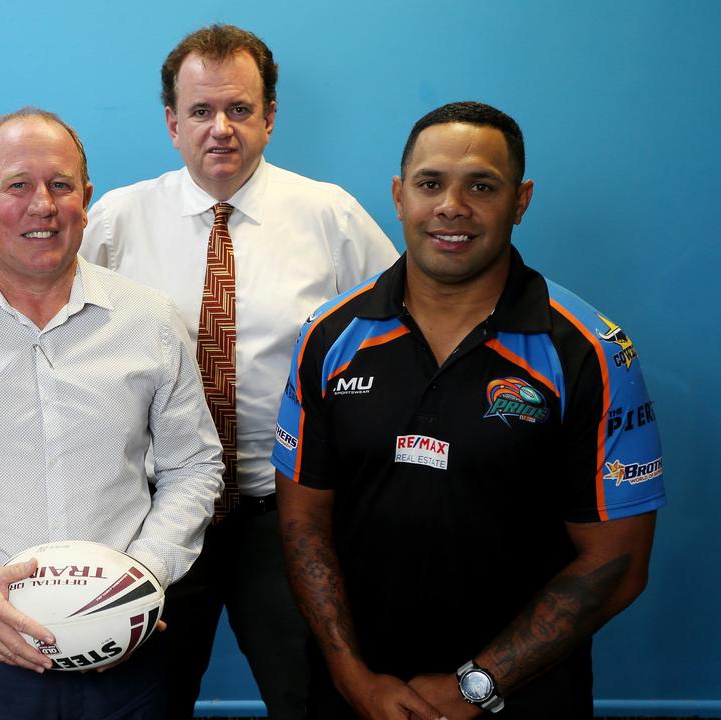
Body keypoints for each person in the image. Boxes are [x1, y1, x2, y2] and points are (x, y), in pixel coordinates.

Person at [273, 102, 665, 719]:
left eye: (482, 185)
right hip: (359, 690)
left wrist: (478, 685)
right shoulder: (328, 337)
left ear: (521, 199)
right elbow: (302, 525)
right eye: (430, 184)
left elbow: (617, 563)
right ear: (400, 196)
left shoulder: (590, 350)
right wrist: (352, 676)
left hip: (524, 696)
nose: (452, 206)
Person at [0, 108, 223, 718]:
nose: (42, 206)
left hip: (128, 655)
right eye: (18, 185)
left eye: (60, 185)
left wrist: (142, 579)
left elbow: (195, 467)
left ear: (87, 197)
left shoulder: (151, 321)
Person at [79, 24, 397, 719]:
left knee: (309, 695)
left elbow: (401, 335)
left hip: (283, 515)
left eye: (240, 109)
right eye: (200, 111)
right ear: (171, 123)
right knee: (144, 698)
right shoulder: (117, 221)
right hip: (153, 513)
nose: (220, 129)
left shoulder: (330, 217)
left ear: (270, 117)